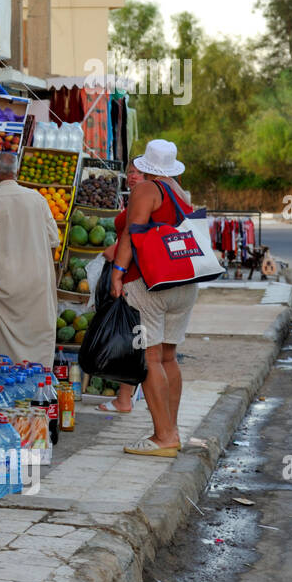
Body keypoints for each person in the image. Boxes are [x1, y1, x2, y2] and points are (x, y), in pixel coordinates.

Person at [109, 139, 198, 457]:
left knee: (148, 358)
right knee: (169, 358)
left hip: (151, 284)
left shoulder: (146, 190)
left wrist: (118, 272)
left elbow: (133, 235)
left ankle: (164, 436)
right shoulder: (179, 192)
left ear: (146, 165)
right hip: (184, 282)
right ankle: (171, 429)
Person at [0, 151, 60, 368]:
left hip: (3, 280)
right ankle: (39, 381)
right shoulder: (37, 199)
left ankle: (7, 382)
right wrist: (43, 268)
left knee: (4, 339)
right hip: (36, 279)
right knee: (38, 334)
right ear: (16, 172)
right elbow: (54, 240)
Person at [98, 160, 145, 413]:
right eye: (130, 172)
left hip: (134, 276)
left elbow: (136, 236)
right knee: (134, 337)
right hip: (130, 274)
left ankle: (125, 399)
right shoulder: (136, 199)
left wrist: (113, 254)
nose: (133, 176)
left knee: (133, 338)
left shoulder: (144, 201)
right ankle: (127, 397)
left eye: (138, 172)